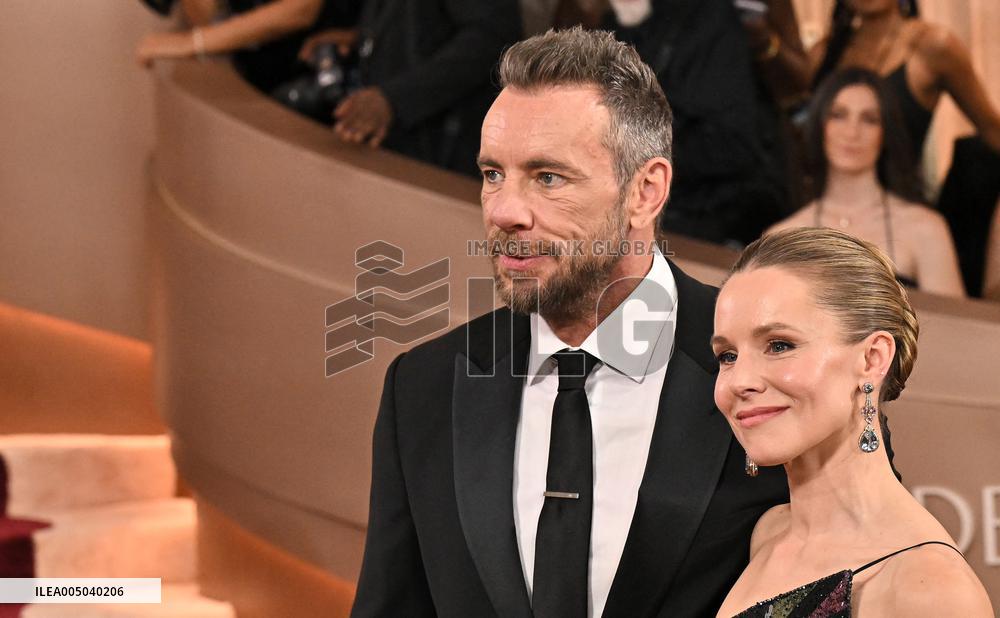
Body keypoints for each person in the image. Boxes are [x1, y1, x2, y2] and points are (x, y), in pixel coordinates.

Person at [351, 27, 793, 618]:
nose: (505, 211)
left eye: (547, 177)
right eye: (492, 174)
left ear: (645, 191)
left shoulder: (781, 364)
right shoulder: (424, 387)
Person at [711, 227, 993, 617]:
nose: (739, 381)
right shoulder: (769, 534)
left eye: (779, 345)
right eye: (727, 355)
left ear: (873, 359)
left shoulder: (928, 589)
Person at [766, 68, 965, 297]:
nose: (852, 132)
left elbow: (955, 327)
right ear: (820, 125)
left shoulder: (926, 228)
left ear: (886, 132)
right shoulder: (782, 236)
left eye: (869, 119)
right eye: (838, 115)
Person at [297, 0, 521, 177]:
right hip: (397, 145)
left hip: (436, 158)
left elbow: (491, 39)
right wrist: (360, 37)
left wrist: (393, 100)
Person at [809, 0, 1000, 161]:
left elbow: (991, 129)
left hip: (902, 199)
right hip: (827, 201)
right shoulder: (822, 55)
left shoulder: (933, 46)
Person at [136, 0, 358, 93]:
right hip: (259, 74)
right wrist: (199, 40)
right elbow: (209, 15)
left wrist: (195, 42)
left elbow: (302, 9)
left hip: (338, 74)